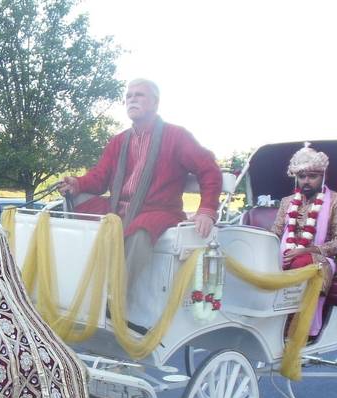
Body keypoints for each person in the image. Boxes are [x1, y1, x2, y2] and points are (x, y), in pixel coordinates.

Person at [58, 79, 222, 286]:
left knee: (140, 231)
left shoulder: (176, 135)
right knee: (77, 203)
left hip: (158, 210)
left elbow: (209, 169)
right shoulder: (118, 140)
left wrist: (206, 210)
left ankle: (115, 296)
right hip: (118, 206)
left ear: (154, 103)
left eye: (139, 95)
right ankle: (76, 280)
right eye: (129, 96)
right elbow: (100, 177)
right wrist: (77, 184)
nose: (132, 99)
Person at [269, 144, 337, 336]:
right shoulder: (287, 202)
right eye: (302, 176)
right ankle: (267, 314)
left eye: (312, 176)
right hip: (287, 253)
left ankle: (295, 325)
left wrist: (307, 251)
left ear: (323, 176)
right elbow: (275, 232)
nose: (306, 181)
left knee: (300, 262)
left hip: (322, 259)